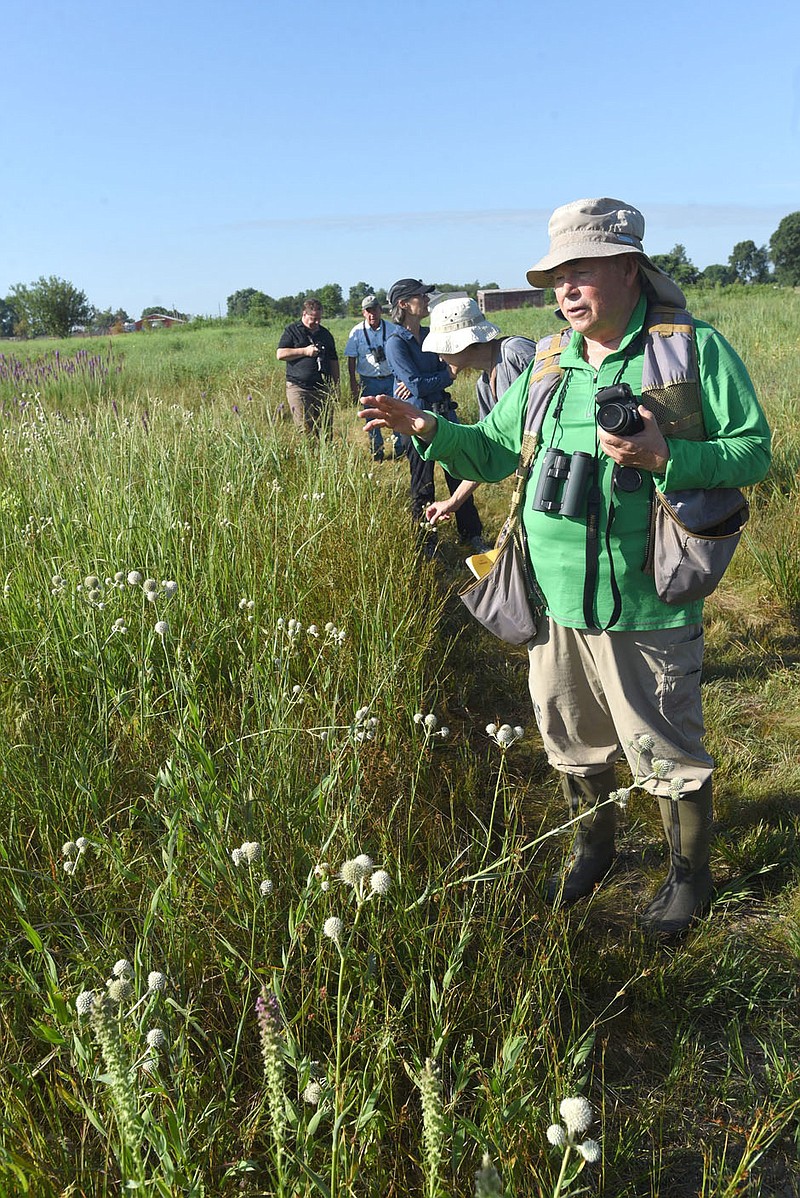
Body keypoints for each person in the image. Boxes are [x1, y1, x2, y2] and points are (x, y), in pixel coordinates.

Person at [362, 199, 771, 936]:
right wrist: (427, 427)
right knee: (568, 737)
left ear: (627, 269)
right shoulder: (548, 361)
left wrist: (667, 457)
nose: (566, 289)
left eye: (581, 272)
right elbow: (489, 451)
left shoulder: (692, 351)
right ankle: (594, 849)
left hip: (646, 597)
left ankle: (688, 879)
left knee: (665, 750)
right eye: (558, 276)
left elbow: (753, 451)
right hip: (552, 598)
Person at [383, 278, 489, 556]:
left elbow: (434, 374)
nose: (428, 300)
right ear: (404, 304)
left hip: (445, 414)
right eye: (421, 295)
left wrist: (433, 378)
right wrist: (443, 376)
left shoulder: (431, 334)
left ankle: (472, 535)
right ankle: (426, 542)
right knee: (423, 484)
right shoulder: (396, 343)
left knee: (460, 474)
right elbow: (419, 383)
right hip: (416, 423)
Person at [420, 295, 537, 529]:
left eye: (443, 348)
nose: (440, 357)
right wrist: (454, 501)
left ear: (463, 342)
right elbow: (488, 448)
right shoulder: (484, 385)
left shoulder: (516, 353)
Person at [344, 295, 401, 461]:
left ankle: (400, 448)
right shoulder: (356, 332)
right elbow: (351, 358)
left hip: (391, 379)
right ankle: (377, 451)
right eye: (368, 311)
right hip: (368, 381)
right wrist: (353, 382)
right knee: (371, 415)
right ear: (363, 313)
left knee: (396, 412)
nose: (372, 314)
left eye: (375, 309)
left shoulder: (391, 329)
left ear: (380, 310)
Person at [276, 298, 340, 436]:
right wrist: (304, 351)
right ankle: (310, 456)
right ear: (304, 314)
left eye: (319, 319)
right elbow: (280, 354)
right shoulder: (292, 331)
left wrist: (336, 385)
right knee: (305, 429)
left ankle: (325, 456)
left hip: (322, 387)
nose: (317, 322)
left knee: (325, 428)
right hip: (299, 387)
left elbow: (334, 360)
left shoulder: (325, 334)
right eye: (314, 319)